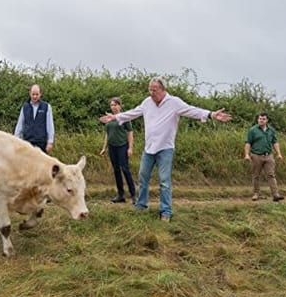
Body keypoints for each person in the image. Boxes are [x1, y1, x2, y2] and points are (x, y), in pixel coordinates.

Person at [99, 77, 232, 222]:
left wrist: (211, 114)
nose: (151, 93)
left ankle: (166, 211)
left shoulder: (174, 102)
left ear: (163, 90)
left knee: (164, 181)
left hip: (165, 148)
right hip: (149, 148)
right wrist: (115, 117)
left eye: (154, 90)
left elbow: (191, 110)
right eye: (150, 89)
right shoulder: (147, 102)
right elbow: (133, 113)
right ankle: (141, 205)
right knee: (143, 177)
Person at [100, 97, 136, 204]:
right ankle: (121, 195)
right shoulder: (109, 119)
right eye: (111, 105)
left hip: (122, 146)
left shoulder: (124, 117)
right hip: (112, 147)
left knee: (125, 169)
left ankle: (133, 195)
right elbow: (107, 134)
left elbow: (130, 133)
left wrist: (130, 148)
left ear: (120, 106)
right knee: (116, 170)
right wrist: (104, 148)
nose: (113, 107)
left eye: (115, 105)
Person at [244, 112, 284, 202]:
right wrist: (246, 154)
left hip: (268, 155)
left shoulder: (271, 130)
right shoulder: (253, 130)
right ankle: (256, 194)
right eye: (259, 119)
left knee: (271, 174)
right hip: (256, 155)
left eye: (263, 119)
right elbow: (248, 143)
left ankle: (275, 194)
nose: (261, 120)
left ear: (267, 120)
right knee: (256, 175)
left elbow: (275, 142)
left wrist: (279, 153)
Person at [14, 84, 54, 154]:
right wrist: (16, 140)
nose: (35, 96)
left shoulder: (47, 107)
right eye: (33, 94)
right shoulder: (25, 107)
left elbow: (50, 125)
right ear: (30, 93)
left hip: (41, 143)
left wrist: (50, 142)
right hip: (27, 143)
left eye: (37, 94)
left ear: (40, 94)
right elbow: (20, 125)